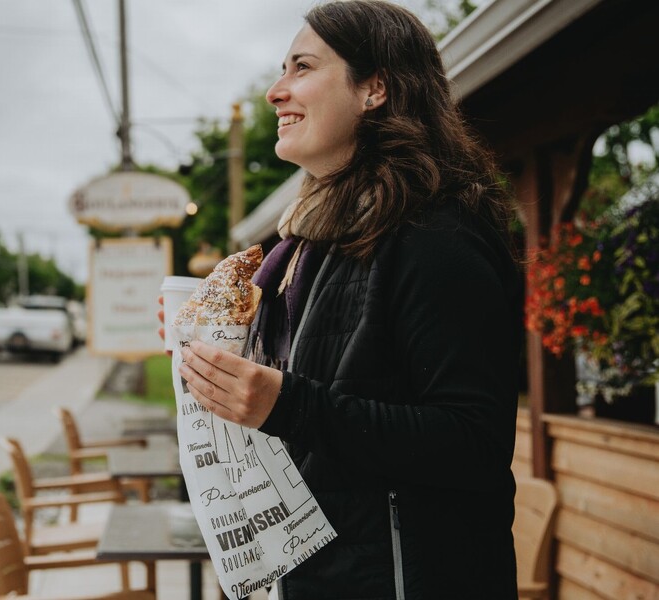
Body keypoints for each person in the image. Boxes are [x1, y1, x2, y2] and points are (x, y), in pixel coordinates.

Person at [160, 1, 521, 598]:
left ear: (375, 88)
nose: (276, 92)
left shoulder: (437, 234)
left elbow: (473, 442)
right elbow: (317, 379)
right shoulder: (319, 238)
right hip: (323, 574)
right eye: (282, 70)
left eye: (302, 67)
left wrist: (288, 406)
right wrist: (207, 346)